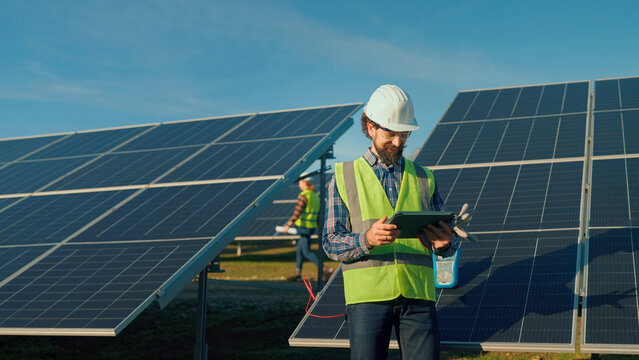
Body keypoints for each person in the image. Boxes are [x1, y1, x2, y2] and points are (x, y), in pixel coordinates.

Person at [322, 84, 459, 360]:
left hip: (419, 296)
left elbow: (448, 241)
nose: (398, 142)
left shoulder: (424, 177)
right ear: (370, 127)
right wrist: (367, 239)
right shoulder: (344, 176)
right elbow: (331, 243)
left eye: (404, 134)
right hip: (367, 298)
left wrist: (445, 244)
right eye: (391, 133)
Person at [283, 179, 332, 281]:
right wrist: (319, 227)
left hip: (304, 228)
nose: (299, 184)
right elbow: (319, 215)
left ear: (305, 183)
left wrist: (289, 224)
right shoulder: (315, 197)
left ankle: (325, 269)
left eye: (300, 182)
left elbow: (298, 211)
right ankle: (297, 273)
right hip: (311, 227)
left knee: (306, 252)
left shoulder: (304, 195)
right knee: (299, 250)